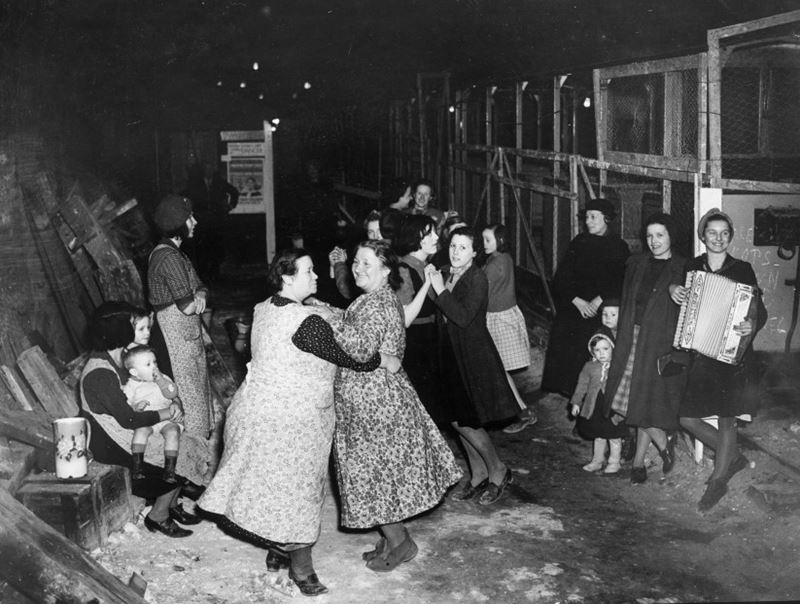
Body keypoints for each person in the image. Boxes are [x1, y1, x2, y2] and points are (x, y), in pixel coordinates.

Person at [198, 248, 401, 595]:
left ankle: (277, 553)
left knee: (273, 488)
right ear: (287, 278)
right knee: (300, 494)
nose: (316, 276)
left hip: (255, 409)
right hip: (292, 419)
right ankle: (302, 569)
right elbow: (349, 357)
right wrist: (385, 361)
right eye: (309, 272)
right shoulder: (305, 323)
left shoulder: (264, 308)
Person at [328, 239, 462, 572]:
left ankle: (401, 543)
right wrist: (333, 311)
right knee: (381, 473)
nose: (357, 268)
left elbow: (359, 348)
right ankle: (391, 537)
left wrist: (326, 320)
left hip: (373, 402)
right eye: (356, 262)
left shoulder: (376, 304)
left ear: (386, 270)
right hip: (373, 397)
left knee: (373, 474)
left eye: (366, 264)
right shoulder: (375, 298)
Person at [79, 302, 208, 538]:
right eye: (132, 325)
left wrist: (174, 404)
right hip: (109, 443)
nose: (139, 329)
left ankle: (170, 505)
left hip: (128, 430)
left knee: (184, 440)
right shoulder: (100, 372)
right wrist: (165, 414)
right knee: (174, 457)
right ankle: (158, 516)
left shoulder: (122, 357)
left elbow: (159, 386)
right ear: (118, 330)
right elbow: (128, 418)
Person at [675, 209, 767, 511]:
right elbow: (679, 298)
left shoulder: (742, 269)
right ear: (703, 236)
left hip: (732, 355)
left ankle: (718, 481)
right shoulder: (692, 267)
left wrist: (751, 325)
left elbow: (758, 309)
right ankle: (733, 458)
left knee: (728, 418)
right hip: (702, 353)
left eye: (723, 233)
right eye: (712, 232)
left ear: (730, 237)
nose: (717, 238)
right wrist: (673, 290)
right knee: (687, 418)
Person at [426, 227, 519, 506]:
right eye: (453, 246)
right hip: (450, 354)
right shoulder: (446, 272)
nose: (456, 252)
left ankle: (498, 470)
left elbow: (463, 316)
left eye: (463, 247)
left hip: (472, 356)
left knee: (468, 420)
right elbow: (436, 307)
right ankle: (478, 474)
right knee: (457, 419)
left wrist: (440, 290)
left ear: (475, 252)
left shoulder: (477, 278)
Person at [605, 212, 687, 485]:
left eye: (660, 235)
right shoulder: (636, 263)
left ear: (671, 237)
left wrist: (676, 289)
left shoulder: (683, 268)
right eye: (649, 236)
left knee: (641, 402)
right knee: (630, 402)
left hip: (658, 342)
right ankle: (663, 442)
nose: (654, 241)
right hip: (632, 337)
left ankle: (639, 462)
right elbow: (628, 301)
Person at [147, 194, 214, 458]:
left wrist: (199, 294)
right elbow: (187, 306)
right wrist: (196, 296)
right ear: (177, 223)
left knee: (196, 397)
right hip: (174, 338)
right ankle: (189, 468)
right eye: (190, 217)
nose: (195, 221)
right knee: (187, 401)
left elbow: (201, 286)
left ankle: (195, 462)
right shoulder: (169, 258)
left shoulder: (177, 253)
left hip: (187, 338)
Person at [541, 198, 630, 396]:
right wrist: (577, 301)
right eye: (586, 217)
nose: (588, 221)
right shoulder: (579, 242)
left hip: (601, 309)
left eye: (593, 217)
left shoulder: (618, 246)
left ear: (606, 219)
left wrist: (598, 300)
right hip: (574, 307)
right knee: (567, 351)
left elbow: (620, 279)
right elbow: (561, 276)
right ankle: (573, 395)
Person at [481, 223, 537, 434]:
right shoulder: (503, 258)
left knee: (498, 369)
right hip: (505, 316)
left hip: (498, 320)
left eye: (488, 240)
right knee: (498, 369)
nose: (484, 244)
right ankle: (520, 410)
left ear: (500, 241)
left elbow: (480, 287)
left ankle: (521, 411)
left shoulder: (495, 265)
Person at [395, 215, 443, 421]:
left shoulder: (427, 265)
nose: (436, 236)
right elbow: (405, 316)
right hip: (416, 342)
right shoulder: (404, 269)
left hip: (431, 338)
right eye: (429, 233)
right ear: (415, 237)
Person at [122, 345, 182, 483]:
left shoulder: (163, 378)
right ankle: (138, 467)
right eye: (148, 364)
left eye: (154, 362)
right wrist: (136, 407)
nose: (154, 367)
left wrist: (162, 382)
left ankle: (170, 470)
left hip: (167, 419)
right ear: (134, 372)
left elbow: (173, 393)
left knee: (173, 431)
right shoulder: (131, 386)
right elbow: (127, 406)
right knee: (140, 432)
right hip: (146, 420)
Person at [569, 332, 627, 474]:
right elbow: (582, 384)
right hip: (595, 406)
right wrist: (576, 402)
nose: (601, 353)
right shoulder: (590, 366)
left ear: (613, 348)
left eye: (605, 349)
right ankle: (597, 460)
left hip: (612, 406)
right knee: (599, 435)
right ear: (592, 351)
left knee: (614, 435)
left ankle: (614, 462)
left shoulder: (618, 367)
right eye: (597, 350)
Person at [182, 162, 239, 281]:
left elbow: (234, 192)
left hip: (216, 220)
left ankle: (215, 273)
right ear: (203, 169)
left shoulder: (219, 182)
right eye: (206, 168)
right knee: (201, 247)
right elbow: (186, 196)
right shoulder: (195, 183)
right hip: (201, 221)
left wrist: (230, 206)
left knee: (215, 246)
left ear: (213, 169)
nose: (208, 170)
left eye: (210, 168)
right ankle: (202, 274)